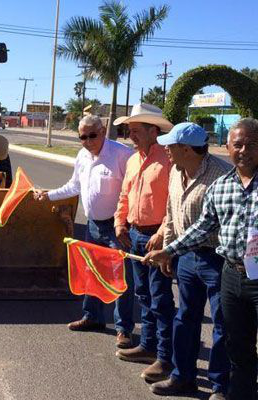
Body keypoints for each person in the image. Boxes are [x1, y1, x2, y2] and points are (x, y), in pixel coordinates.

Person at [146, 118, 258, 400]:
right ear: (227, 147)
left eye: (251, 144)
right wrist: (170, 250)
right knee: (238, 354)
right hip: (231, 277)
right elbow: (203, 227)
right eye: (237, 144)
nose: (243, 150)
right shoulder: (221, 186)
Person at [146, 122, 231, 399]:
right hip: (185, 257)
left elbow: (209, 226)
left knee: (222, 324)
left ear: (185, 148)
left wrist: (171, 250)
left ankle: (221, 387)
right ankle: (183, 377)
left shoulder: (221, 176)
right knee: (185, 318)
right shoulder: (175, 171)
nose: (166, 150)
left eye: (170, 146)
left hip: (217, 259)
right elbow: (171, 213)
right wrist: (170, 249)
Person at [34, 115, 135, 348]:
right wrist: (47, 195)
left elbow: (131, 191)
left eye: (92, 135)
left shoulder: (121, 155)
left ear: (103, 131)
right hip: (93, 225)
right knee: (92, 272)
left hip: (116, 227)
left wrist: (124, 224)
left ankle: (124, 329)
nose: (88, 141)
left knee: (120, 279)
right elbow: (73, 186)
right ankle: (93, 316)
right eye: (82, 137)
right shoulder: (82, 156)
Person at [111, 103, 175, 383]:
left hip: (156, 239)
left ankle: (165, 356)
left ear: (153, 131)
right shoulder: (133, 159)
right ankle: (148, 347)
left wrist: (161, 232)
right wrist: (119, 222)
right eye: (129, 130)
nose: (131, 135)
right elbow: (125, 194)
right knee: (143, 295)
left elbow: (175, 203)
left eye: (136, 130)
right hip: (134, 234)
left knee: (160, 297)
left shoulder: (169, 160)